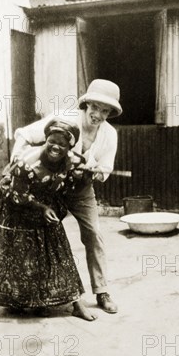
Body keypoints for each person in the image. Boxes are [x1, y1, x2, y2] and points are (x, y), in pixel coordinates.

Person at [12, 79, 122, 314]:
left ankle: (101, 291)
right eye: (95, 108)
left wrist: (94, 172)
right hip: (51, 188)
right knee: (42, 237)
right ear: (87, 104)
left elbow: (106, 170)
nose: (98, 115)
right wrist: (16, 157)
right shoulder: (64, 118)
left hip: (82, 189)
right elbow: (24, 134)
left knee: (94, 234)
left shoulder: (109, 135)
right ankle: (37, 294)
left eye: (105, 111)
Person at [0, 117, 97, 321]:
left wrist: (85, 176)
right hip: (17, 209)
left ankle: (76, 303)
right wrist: (41, 207)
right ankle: (30, 302)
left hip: (45, 206)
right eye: (52, 141)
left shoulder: (72, 162)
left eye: (62, 144)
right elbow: (17, 195)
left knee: (60, 251)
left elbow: (71, 186)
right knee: (23, 258)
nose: (56, 147)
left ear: (69, 147)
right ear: (45, 140)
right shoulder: (27, 163)